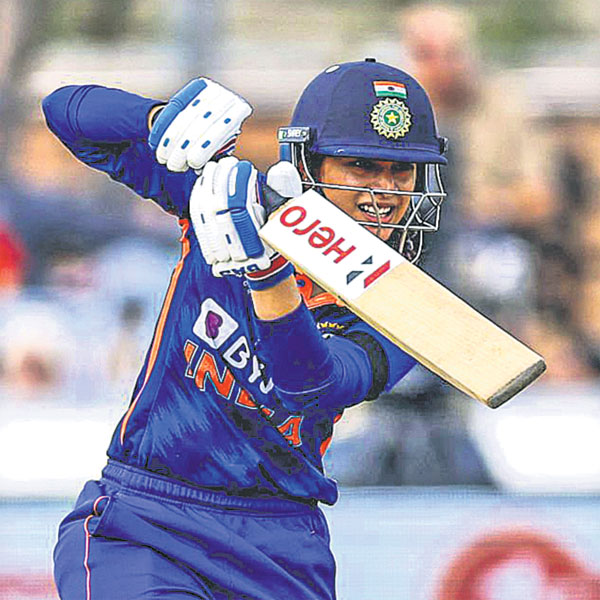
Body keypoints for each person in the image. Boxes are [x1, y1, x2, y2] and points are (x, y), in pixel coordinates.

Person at [42, 58, 447, 600]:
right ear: (308, 163)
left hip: (281, 547)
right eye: (361, 165)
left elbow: (312, 386)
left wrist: (265, 270)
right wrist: (160, 119)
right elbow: (65, 113)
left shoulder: (406, 304)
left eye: (403, 170)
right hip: (148, 521)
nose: (387, 190)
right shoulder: (227, 197)